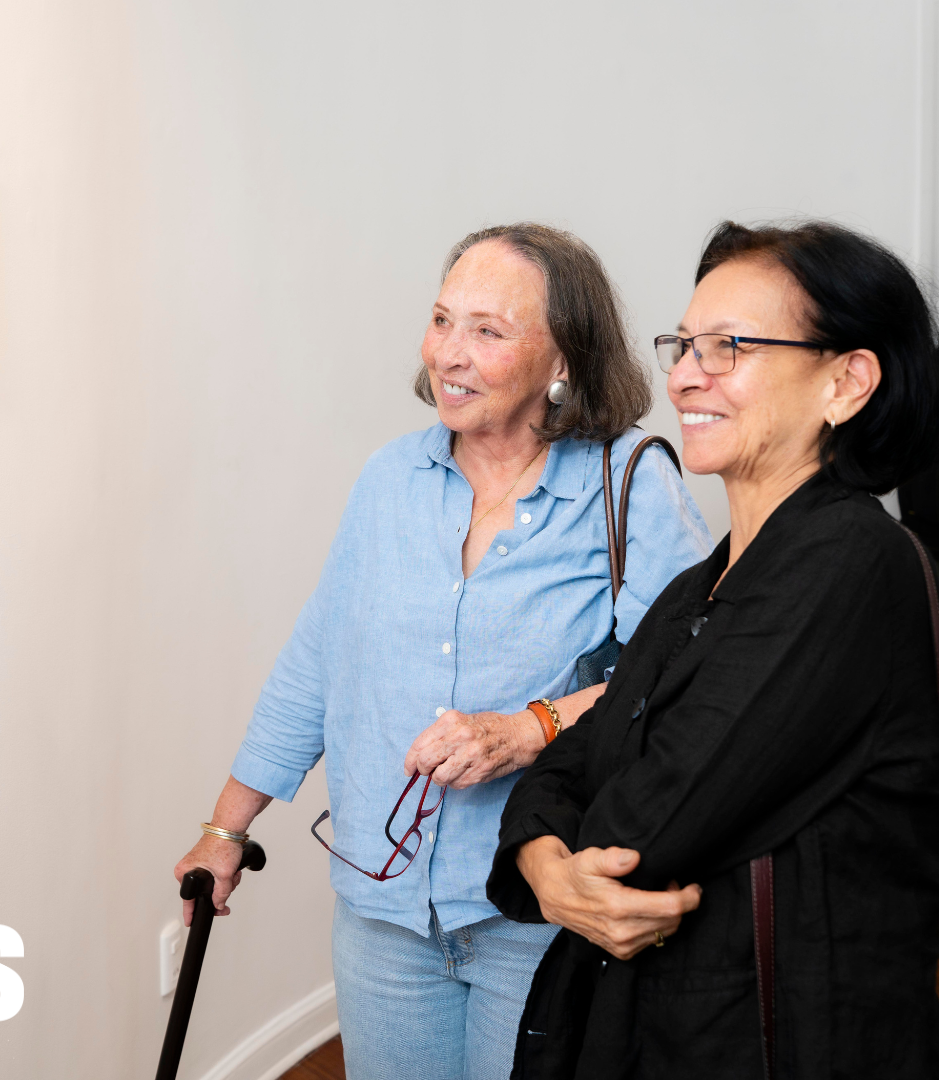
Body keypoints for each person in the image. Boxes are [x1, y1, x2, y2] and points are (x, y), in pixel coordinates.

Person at [174, 223, 711, 1079]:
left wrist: (530, 728)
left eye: (488, 331)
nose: (448, 354)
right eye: (441, 320)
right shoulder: (390, 480)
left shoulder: (628, 484)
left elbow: (685, 679)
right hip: (382, 910)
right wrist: (223, 829)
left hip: (536, 905)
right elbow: (318, 660)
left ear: (562, 359)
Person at [488, 220, 939, 1079]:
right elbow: (575, 757)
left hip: (776, 1039)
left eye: (729, 346)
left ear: (847, 382)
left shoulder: (850, 566)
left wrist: (553, 849)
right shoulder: (701, 583)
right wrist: (545, 867)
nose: (685, 374)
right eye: (686, 344)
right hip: (658, 1026)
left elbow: (641, 827)